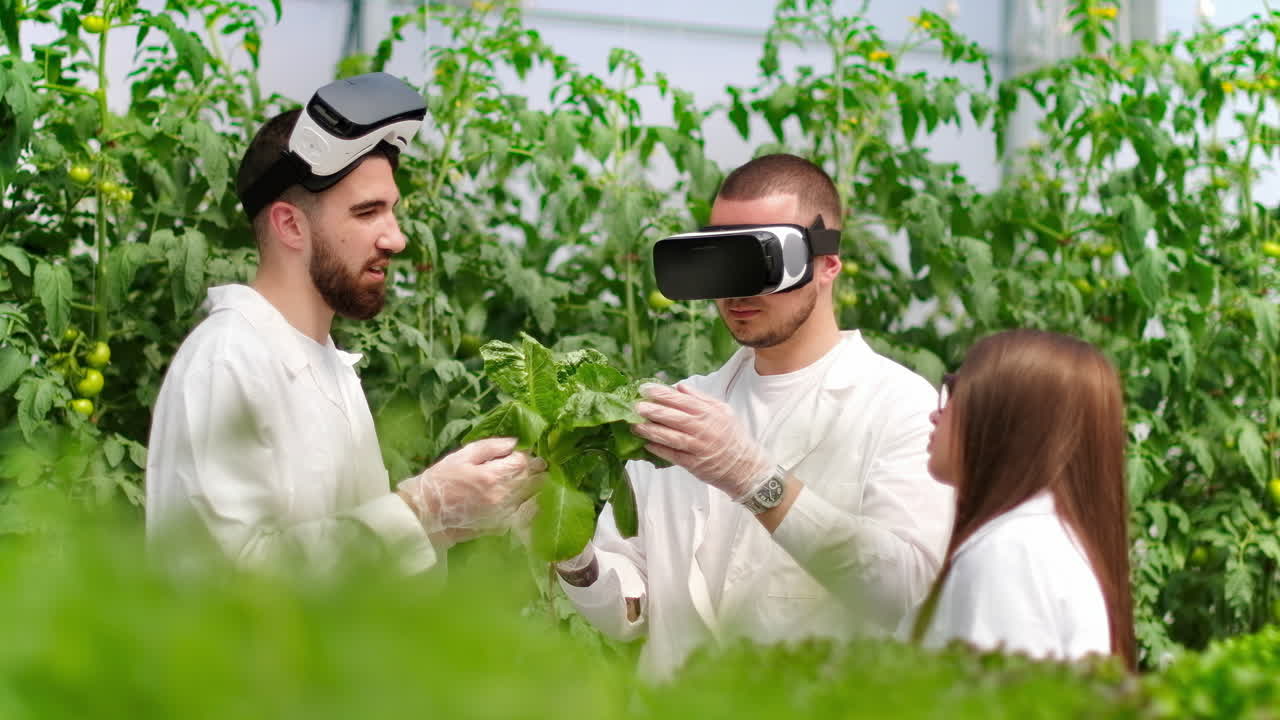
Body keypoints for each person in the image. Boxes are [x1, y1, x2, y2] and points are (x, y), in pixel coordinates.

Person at [555, 153, 954, 680]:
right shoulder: (682, 406)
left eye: (760, 262)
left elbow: (904, 593)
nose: (737, 292)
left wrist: (754, 479)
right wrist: (570, 553)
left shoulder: (899, 405)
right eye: (723, 260)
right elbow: (633, 608)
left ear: (828, 264)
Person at [146, 74, 544, 572]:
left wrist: (451, 518)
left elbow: (345, 568)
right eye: (366, 213)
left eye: (392, 211)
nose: (395, 239)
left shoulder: (327, 365)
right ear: (291, 225)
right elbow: (220, 583)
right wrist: (420, 509)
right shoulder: (228, 361)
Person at [909, 329, 1136, 669]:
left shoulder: (1011, 553)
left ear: (1005, 418)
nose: (935, 413)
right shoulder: (1034, 543)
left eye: (956, 390)